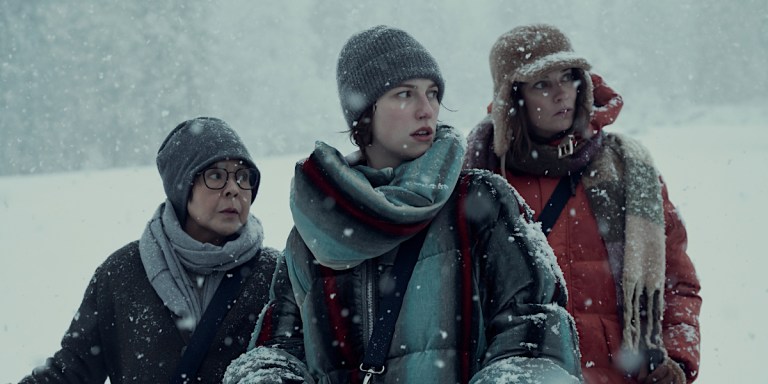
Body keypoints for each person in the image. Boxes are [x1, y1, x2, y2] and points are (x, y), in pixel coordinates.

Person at [224, 25, 583, 384]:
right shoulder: (316, 227)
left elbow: (536, 327)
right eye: (404, 94)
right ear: (364, 111)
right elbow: (278, 347)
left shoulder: (482, 200)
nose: (427, 110)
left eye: (432, 93)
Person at [464, 24, 702, 384]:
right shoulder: (479, 180)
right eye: (542, 84)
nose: (562, 94)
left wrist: (678, 359)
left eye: (568, 77)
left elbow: (677, 282)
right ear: (513, 98)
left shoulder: (628, 169)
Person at [20, 117, 278, 383]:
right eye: (216, 175)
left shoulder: (276, 274)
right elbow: (72, 372)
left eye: (243, 177)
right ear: (182, 185)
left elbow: (304, 364)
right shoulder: (122, 273)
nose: (234, 189)